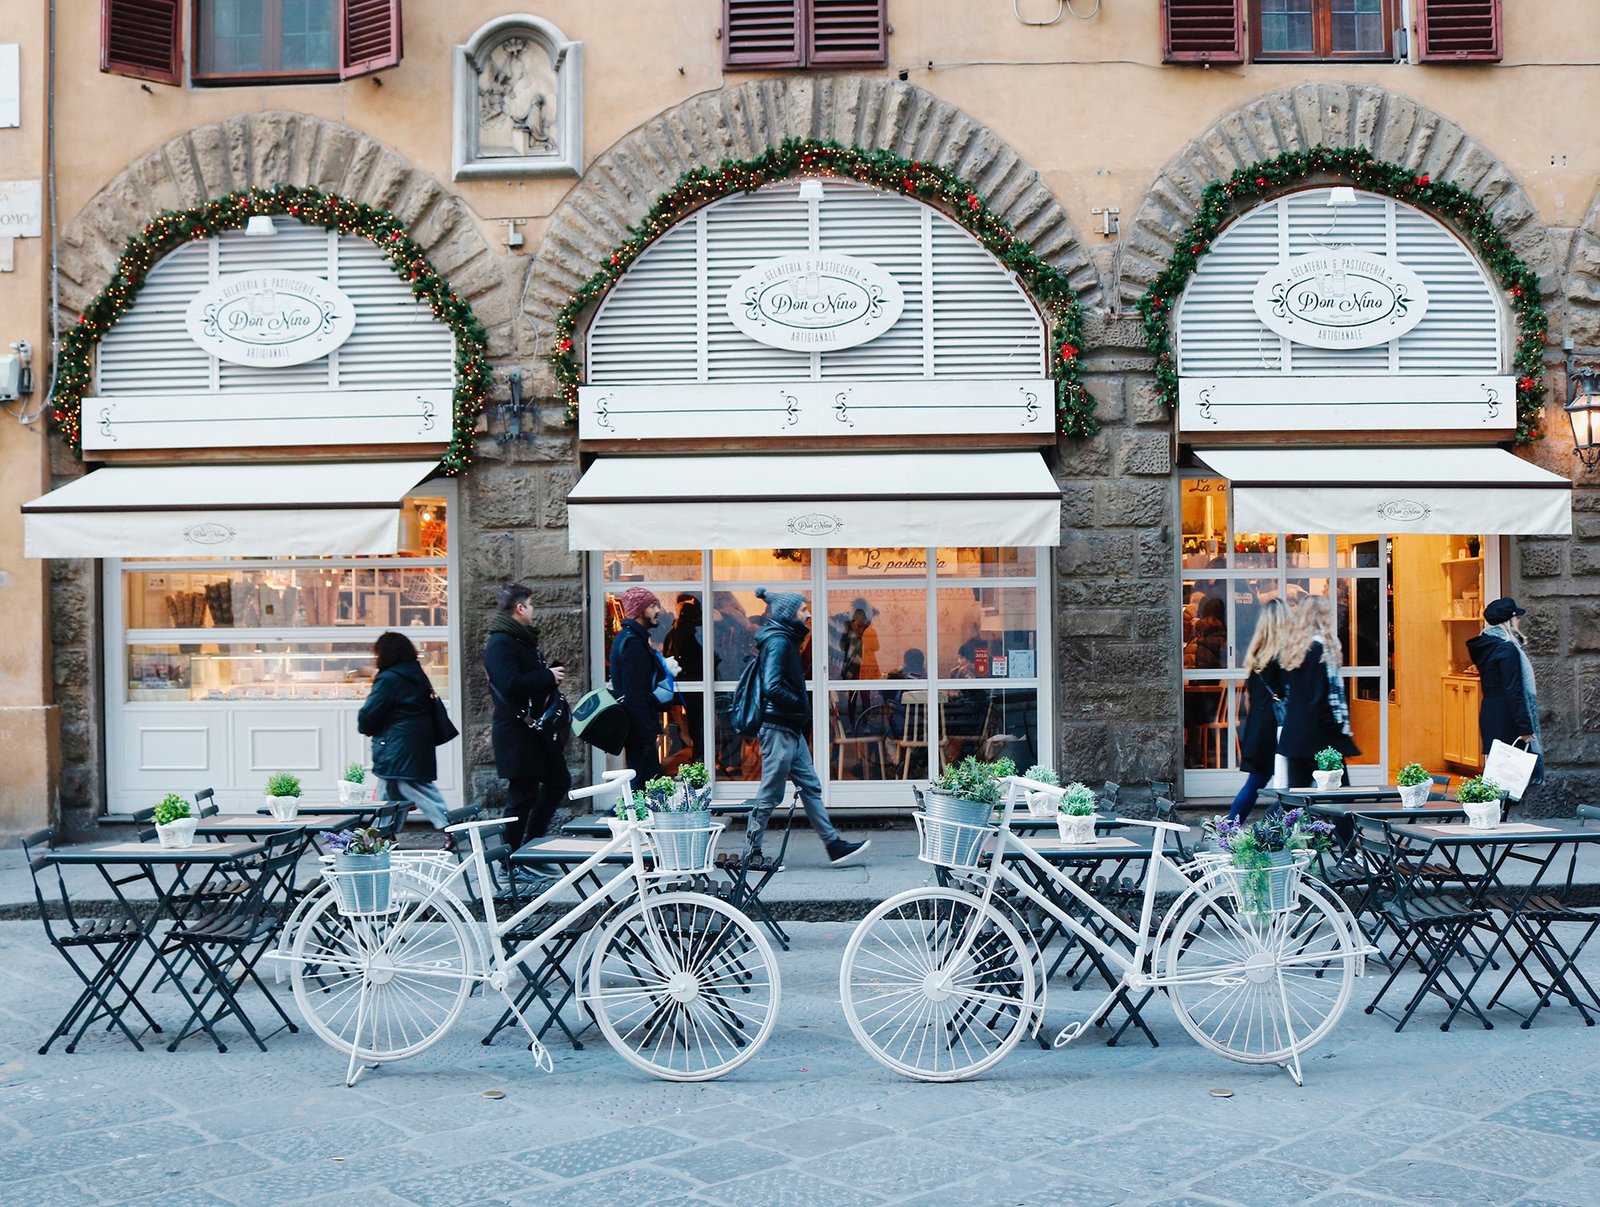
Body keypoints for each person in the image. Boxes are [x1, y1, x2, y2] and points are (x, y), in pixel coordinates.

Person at [744, 587, 869, 867]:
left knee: (810, 785)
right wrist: (801, 706)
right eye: (803, 609)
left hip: (790, 728)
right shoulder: (779, 641)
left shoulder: (788, 639)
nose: (809, 613)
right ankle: (751, 852)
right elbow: (772, 686)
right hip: (778, 727)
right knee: (770, 794)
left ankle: (834, 845)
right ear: (790, 613)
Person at [484, 581, 569, 847]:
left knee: (557, 782)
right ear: (520, 608)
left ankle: (531, 846)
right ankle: (511, 859)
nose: (533, 610)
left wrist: (547, 677)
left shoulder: (520, 639)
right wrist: (547, 675)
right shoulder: (501, 642)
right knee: (522, 796)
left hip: (532, 730)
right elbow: (509, 683)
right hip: (517, 732)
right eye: (531, 605)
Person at [357, 631, 447, 829]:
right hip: (415, 742)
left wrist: (365, 727)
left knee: (412, 786)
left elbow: (370, 711)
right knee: (389, 787)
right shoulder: (416, 674)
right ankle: (382, 833)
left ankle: (449, 827)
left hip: (397, 744)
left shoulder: (389, 678)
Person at [1277, 594, 1359, 789]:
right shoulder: (1322, 650)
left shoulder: (1295, 649)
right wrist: (1337, 728)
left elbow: (1288, 692)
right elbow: (1320, 697)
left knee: (1295, 799)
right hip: (1320, 737)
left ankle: (1269, 821)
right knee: (1341, 796)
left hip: (1295, 734)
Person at [1467, 597, 1544, 790]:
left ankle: (1495, 814)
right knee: (1508, 779)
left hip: (1491, 712)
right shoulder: (1506, 649)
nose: (1519, 620)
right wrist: (1525, 727)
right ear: (1509, 621)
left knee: (1497, 774)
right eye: (1516, 617)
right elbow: (1513, 689)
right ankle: (1498, 815)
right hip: (1507, 717)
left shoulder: (1486, 645)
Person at [1228, 600, 1290, 822]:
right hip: (1280, 729)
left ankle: (1230, 828)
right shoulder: (1285, 657)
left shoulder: (1256, 656)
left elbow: (1249, 699)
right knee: (1294, 788)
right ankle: (1263, 832)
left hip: (1259, 729)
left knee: (1255, 782)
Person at [609, 586, 667, 783]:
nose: (657, 610)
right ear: (639, 610)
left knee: (648, 783)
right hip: (639, 729)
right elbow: (635, 693)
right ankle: (620, 812)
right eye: (652, 606)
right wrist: (646, 733)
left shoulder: (631, 639)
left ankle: (627, 811)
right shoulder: (632, 643)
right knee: (644, 783)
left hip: (637, 727)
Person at [662, 593, 704, 763]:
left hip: (684, 683)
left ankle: (698, 753)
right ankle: (702, 754)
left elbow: (668, 654)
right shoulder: (697, 633)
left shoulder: (674, 633)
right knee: (702, 720)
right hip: (697, 681)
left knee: (694, 720)